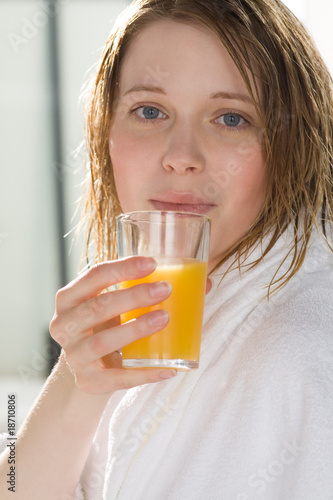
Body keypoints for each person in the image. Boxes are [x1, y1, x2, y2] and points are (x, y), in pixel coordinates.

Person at [1, 0, 333, 498]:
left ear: (293, 144)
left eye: (230, 118)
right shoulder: (138, 310)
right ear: (105, 134)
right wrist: (76, 376)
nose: (182, 157)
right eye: (149, 111)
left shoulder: (304, 346)